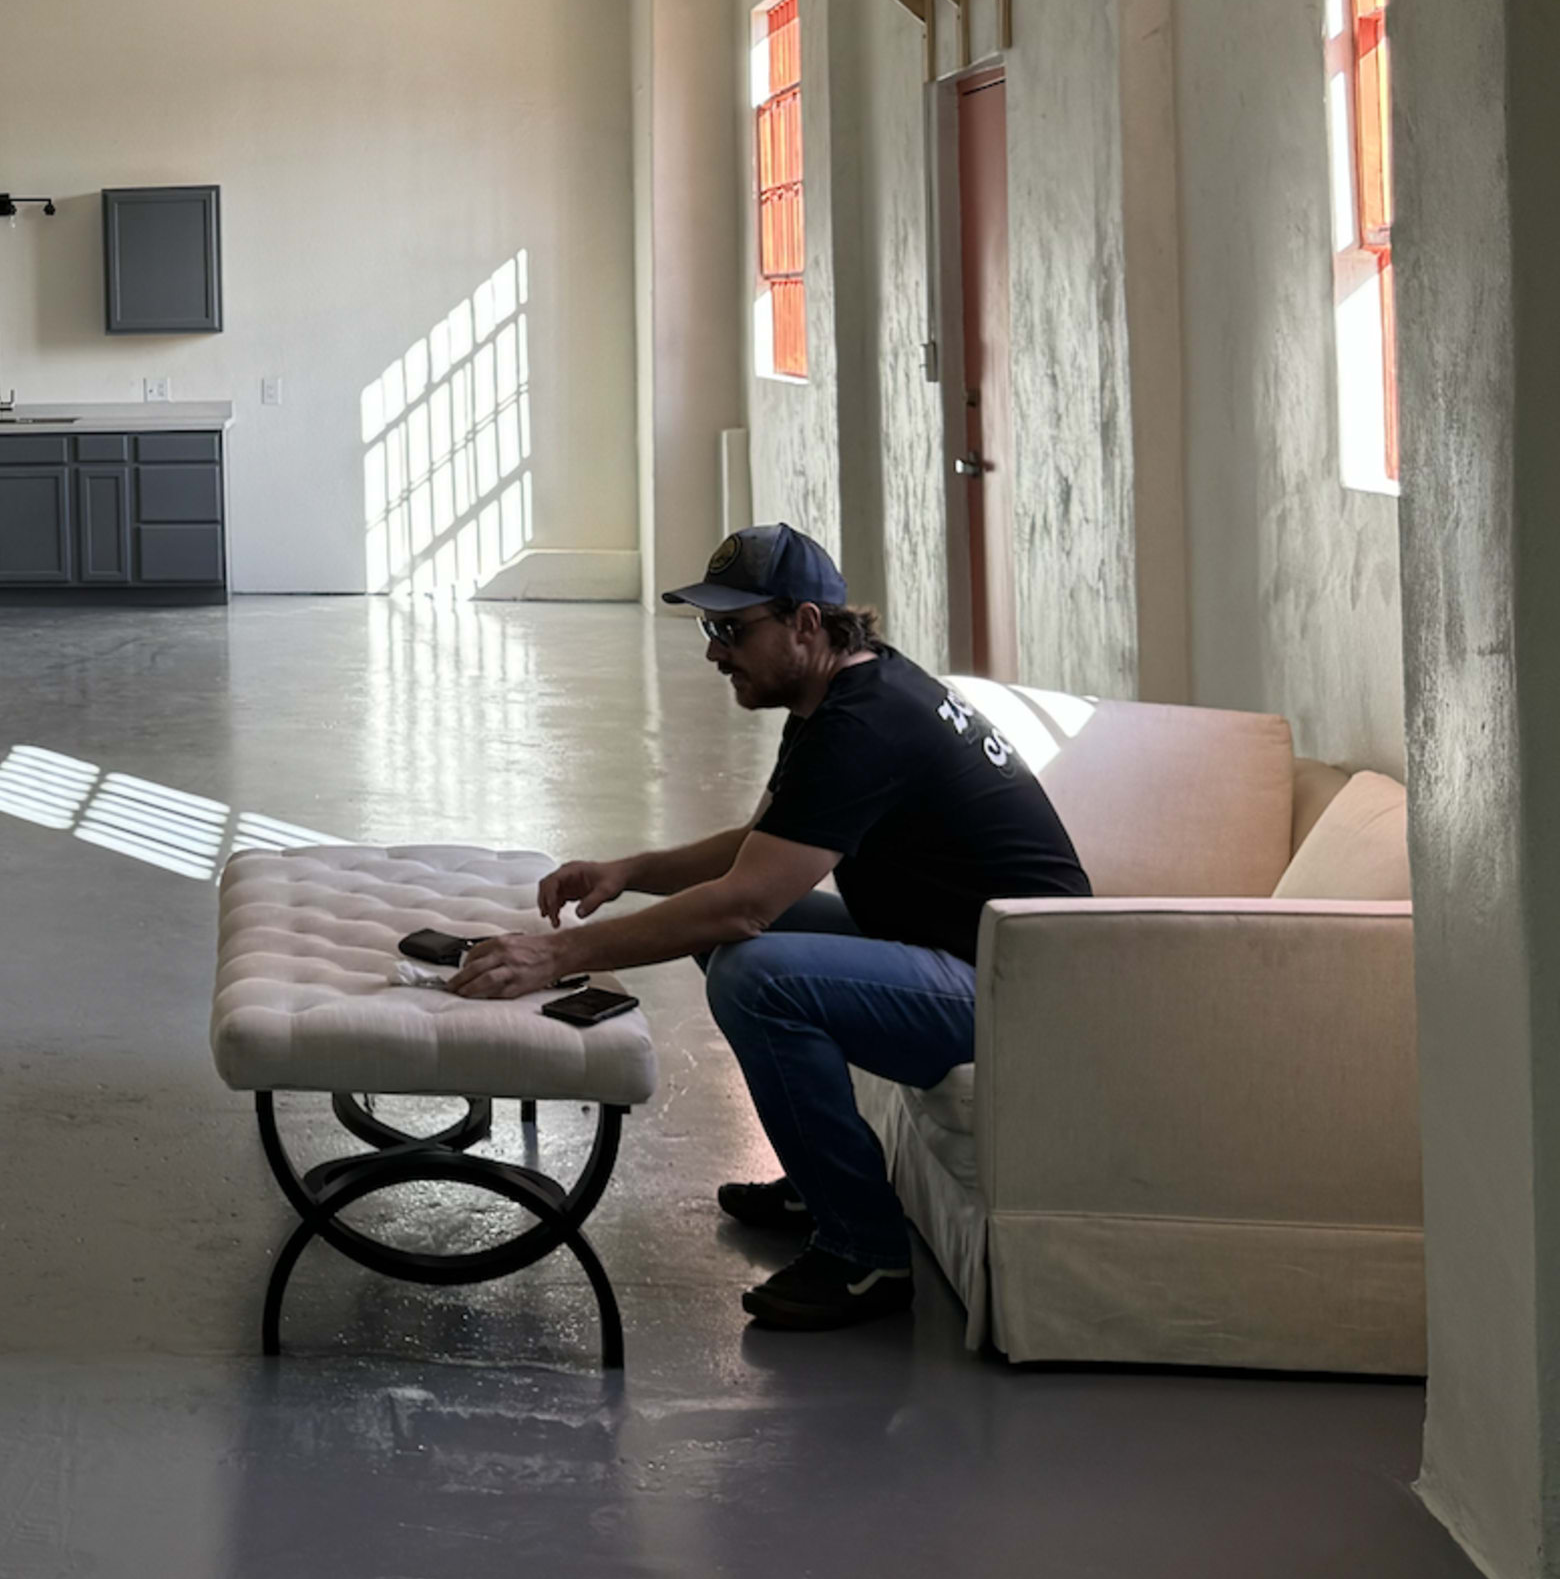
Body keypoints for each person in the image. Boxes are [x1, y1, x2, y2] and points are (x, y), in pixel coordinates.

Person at [448, 522, 1091, 1329]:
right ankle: (821, 1172)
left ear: (806, 623)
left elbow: (742, 901)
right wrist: (630, 870)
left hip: (1017, 991)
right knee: (733, 941)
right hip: (968, 953)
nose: (715, 651)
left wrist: (553, 954)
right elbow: (761, 855)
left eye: (733, 628)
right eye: (711, 628)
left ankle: (866, 1254)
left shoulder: (865, 725)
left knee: (756, 972)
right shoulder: (844, 692)